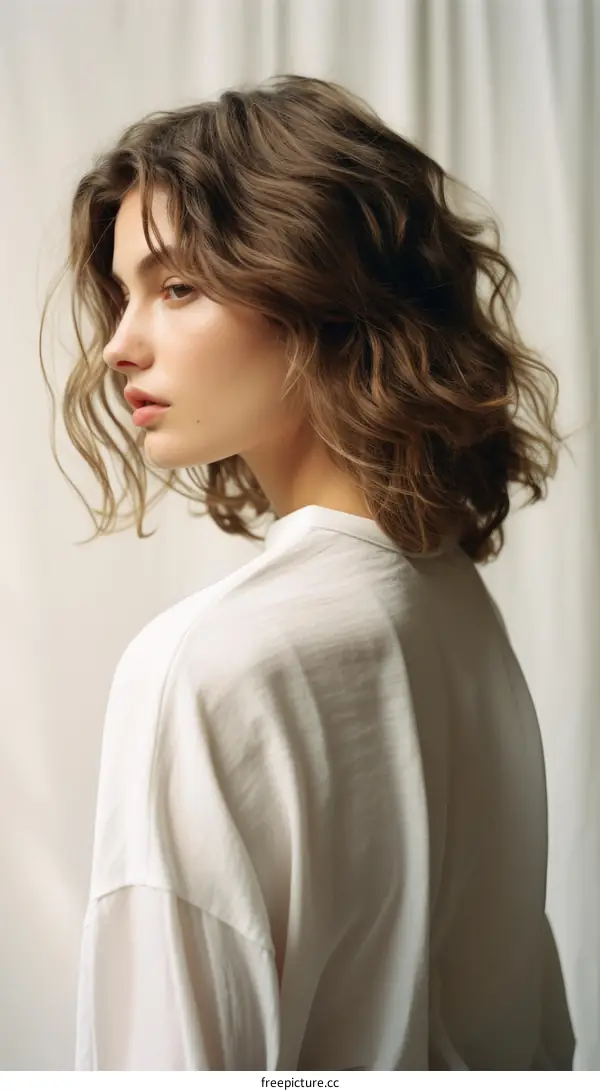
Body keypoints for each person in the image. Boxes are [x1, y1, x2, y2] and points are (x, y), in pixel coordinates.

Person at [40, 73, 575, 1070]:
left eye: (178, 286)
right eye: (123, 295)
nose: (119, 345)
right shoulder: (449, 607)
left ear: (317, 290)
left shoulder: (203, 665)